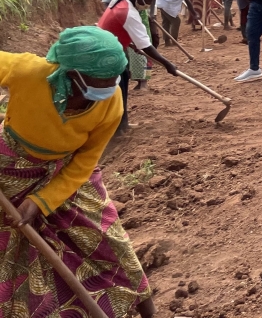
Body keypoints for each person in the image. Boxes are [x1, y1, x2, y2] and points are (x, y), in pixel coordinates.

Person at [0, 26, 156, 317]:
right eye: (103, 81)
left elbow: (85, 162)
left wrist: (42, 201)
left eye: (115, 79)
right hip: (11, 167)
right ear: (73, 74)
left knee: (111, 242)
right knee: (16, 252)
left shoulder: (111, 103)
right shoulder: (29, 72)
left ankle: (148, 310)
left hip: (69, 173)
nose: (110, 87)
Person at [98, 0, 180, 133]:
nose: (151, 3)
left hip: (111, 46)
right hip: (107, 52)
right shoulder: (129, 13)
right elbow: (147, 47)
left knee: (123, 82)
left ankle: (123, 124)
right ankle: (117, 129)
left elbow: (119, 28)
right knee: (118, 89)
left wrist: (134, 43)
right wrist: (168, 64)